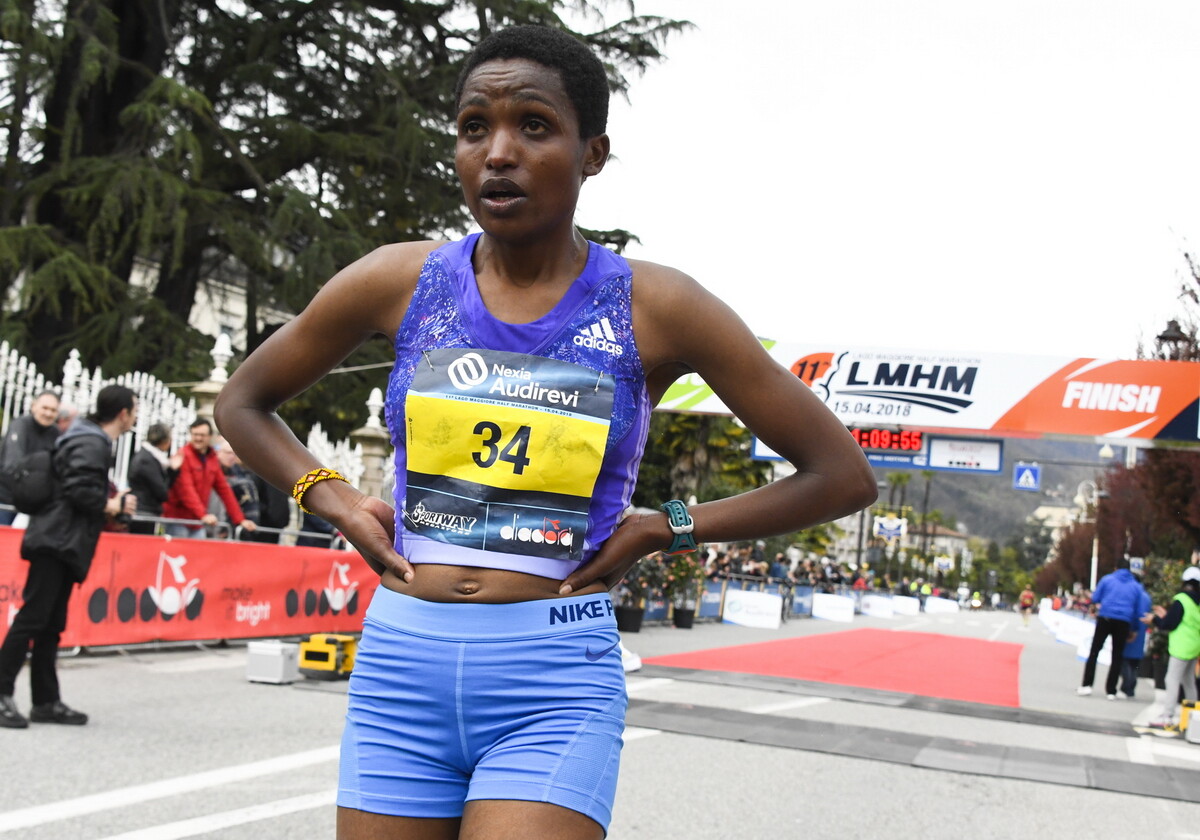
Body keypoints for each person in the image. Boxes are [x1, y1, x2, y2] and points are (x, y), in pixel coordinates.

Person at [214, 24, 876, 840]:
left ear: (592, 153)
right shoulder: (399, 279)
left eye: (533, 125)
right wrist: (335, 498)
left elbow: (841, 475)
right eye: (474, 128)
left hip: (553, 678)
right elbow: (242, 403)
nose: (498, 153)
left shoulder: (657, 306)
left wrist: (664, 526)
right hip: (400, 667)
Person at [0, 385, 138, 728]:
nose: (135, 417)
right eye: (134, 410)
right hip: (56, 540)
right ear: (123, 413)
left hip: (61, 539)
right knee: (33, 618)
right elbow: (79, 490)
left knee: (50, 623)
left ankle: (46, 702)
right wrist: (112, 504)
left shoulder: (86, 437)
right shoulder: (91, 441)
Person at [160, 418, 256, 539]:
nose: (198, 438)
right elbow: (186, 490)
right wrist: (203, 515)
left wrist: (240, 519)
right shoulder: (183, 455)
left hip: (197, 521)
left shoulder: (212, 459)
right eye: (195, 434)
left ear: (210, 436)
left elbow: (224, 489)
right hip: (179, 520)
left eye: (202, 435)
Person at [1077, 558, 1147, 699]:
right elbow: (1138, 611)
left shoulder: (1107, 580)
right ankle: (1111, 690)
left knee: (1094, 651)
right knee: (1117, 656)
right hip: (1124, 621)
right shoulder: (1136, 586)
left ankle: (1087, 685)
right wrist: (1134, 630)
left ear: (1116, 568)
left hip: (1106, 617)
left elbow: (1096, 598)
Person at [1143, 565, 1200, 729]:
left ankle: (1167, 715)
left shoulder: (1182, 599)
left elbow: (1169, 623)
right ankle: (1193, 717)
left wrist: (1155, 619)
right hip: (1194, 646)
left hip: (1181, 647)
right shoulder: (1197, 602)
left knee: (1172, 679)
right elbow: (1185, 621)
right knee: (1188, 681)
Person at [0, 390, 61, 525]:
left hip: (35, 503)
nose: (48, 413)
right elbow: (12, 463)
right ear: (34, 406)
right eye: (45, 408)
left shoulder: (56, 433)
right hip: (5, 499)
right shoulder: (20, 425)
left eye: (53, 410)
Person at [126, 422, 180, 535]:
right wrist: (172, 471)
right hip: (144, 512)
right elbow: (162, 491)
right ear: (164, 441)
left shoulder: (147, 457)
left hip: (144, 510)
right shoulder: (147, 460)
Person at [1119, 581, 1153, 700]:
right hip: (1142, 633)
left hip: (1131, 631)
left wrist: (1132, 629)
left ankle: (1126, 687)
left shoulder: (1133, 595)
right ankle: (1131, 689)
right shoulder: (1147, 597)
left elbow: (1132, 613)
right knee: (1134, 664)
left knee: (1125, 661)